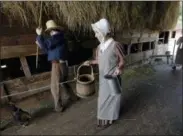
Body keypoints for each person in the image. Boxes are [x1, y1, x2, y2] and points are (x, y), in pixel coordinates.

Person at [84, 18, 125, 129]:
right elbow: (100, 60)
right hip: (103, 78)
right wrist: (91, 62)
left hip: (112, 78)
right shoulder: (99, 47)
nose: (96, 35)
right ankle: (103, 119)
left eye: (97, 32)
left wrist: (119, 68)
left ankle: (108, 120)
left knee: (112, 98)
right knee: (102, 99)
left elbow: (122, 60)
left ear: (103, 32)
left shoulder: (115, 45)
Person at [35, 20, 78, 112]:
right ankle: (73, 97)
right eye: (50, 31)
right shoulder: (58, 39)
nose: (50, 33)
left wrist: (39, 35)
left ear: (54, 30)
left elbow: (46, 45)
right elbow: (48, 50)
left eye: (51, 31)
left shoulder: (57, 37)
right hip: (61, 64)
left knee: (54, 86)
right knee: (63, 82)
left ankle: (58, 107)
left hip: (57, 64)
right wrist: (40, 44)